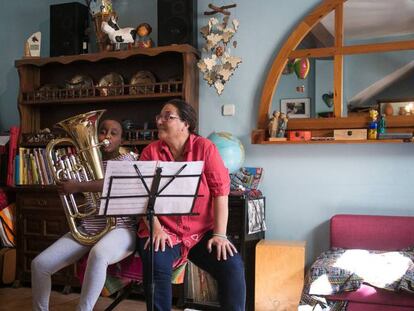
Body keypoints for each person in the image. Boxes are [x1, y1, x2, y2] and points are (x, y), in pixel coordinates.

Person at [137, 99, 246, 311]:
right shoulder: (150, 152)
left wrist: (220, 235)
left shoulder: (205, 148)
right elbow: (141, 197)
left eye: (167, 116)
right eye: (159, 117)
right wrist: (156, 229)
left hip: (200, 233)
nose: (159, 121)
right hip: (162, 230)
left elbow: (220, 192)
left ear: (185, 123)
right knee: (156, 266)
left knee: (232, 265)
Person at [31, 120, 137, 311]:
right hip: (89, 228)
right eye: (103, 132)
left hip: (121, 228)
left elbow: (112, 182)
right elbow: (80, 192)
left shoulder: (128, 160)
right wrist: (66, 183)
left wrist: (78, 185)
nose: (107, 137)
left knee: (98, 253)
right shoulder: (85, 163)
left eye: (113, 133)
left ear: (121, 140)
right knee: (39, 265)